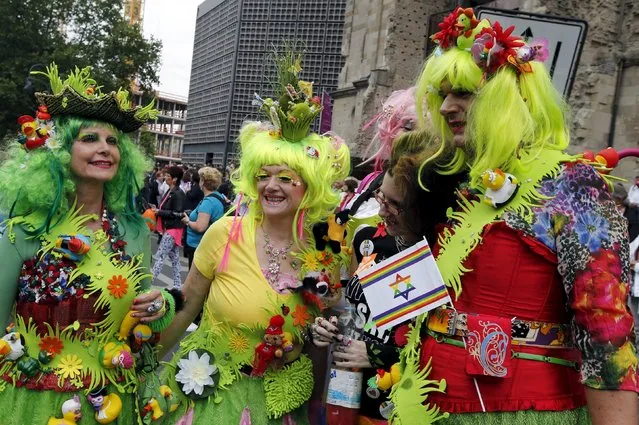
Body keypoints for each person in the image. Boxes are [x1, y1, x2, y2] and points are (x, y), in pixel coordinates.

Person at [386, 8, 639, 424]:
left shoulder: (571, 185)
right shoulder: (462, 183)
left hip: (519, 413)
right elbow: (421, 294)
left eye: (464, 94)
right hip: (427, 406)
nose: (447, 107)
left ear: (512, 98)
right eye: (443, 94)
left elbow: (607, 338)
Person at [157, 47, 351, 424]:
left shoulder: (326, 251)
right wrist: (139, 364)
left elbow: (321, 340)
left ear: (309, 186)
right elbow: (186, 307)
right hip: (208, 398)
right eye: (263, 176)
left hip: (278, 406)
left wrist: (315, 340)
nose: (271, 187)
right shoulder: (225, 234)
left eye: (286, 178)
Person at [0, 63, 175, 424]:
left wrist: (161, 307)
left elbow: (142, 324)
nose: (105, 149)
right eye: (90, 138)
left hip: (114, 400)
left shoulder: (135, 232)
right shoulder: (24, 233)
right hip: (35, 403)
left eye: (113, 141)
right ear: (60, 149)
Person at [311, 130, 463, 424]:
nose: (380, 210)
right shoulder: (368, 238)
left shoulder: (449, 262)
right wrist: (328, 327)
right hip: (348, 393)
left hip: (404, 406)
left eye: (395, 204)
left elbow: (448, 354)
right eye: (381, 195)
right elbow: (358, 312)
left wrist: (379, 355)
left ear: (426, 209)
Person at [181, 167, 226, 268]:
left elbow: (200, 227)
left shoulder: (208, 202)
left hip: (199, 246)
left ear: (203, 182)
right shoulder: (218, 196)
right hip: (210, 246)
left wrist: (188, 221)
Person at [151, 165, 186, 289]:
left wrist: (159, 212)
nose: (166, 177)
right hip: (171, 228)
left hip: (173, 229)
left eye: (168, 176)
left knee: (160, 255)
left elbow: (177, 213)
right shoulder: (171, 191)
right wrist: (158, 210)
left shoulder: (178, 193)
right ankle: (177, 285)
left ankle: (150, 280)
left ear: (175, 179)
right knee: (174, 257)